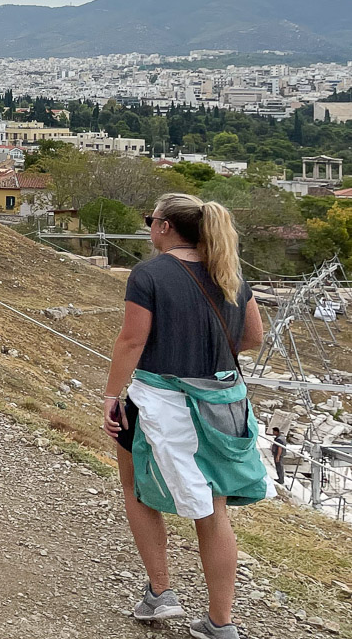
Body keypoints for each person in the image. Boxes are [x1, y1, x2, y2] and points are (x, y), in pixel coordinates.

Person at [103, 193, 267, 639]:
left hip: (160, 402)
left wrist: (110, 395)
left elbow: (132, 341)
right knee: (214, 511)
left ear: (166, 227)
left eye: (150, 219)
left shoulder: (149, 274)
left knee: (136, 488)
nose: (149, 226)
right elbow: (253, 335)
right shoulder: (230, 272)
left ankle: (160, 592)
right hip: (221, 404)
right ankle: (221, 621)